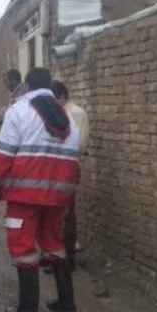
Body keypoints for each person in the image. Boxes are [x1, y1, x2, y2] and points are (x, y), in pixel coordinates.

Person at [0, 68, 81, 312]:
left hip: (24, 196)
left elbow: (3, 155)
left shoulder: (19, 111)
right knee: (54, 243)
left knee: (23, 246)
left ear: (27, 85)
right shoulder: (68, 119)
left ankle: (28, 310)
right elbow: (74, 161)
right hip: (58, 197)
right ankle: (66, 302)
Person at [52, 80, 89, 272]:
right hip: (54, 168)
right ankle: (56, 256)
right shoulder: (55, 113)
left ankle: (68, 258)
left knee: (66, 213)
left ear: (62, 97)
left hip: (68, 168)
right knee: (55, 213)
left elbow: (80, 144)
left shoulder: (76, 113)